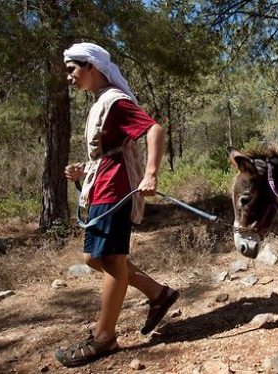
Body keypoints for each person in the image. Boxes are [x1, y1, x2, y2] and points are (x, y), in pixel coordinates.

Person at [54, 43, 179, 367]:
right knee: (93, 258)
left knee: (110, 259)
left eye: (72, 69)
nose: (69, 77)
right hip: (101, 186)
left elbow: (154, 129)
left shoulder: (116, 101)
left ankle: (104, 337)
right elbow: (110, 149)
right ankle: (158, 294)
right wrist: (84, 169)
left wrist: (151, 173)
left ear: (91, 66)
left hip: (116, 189)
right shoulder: (100, 103)